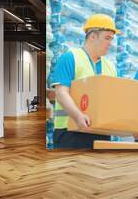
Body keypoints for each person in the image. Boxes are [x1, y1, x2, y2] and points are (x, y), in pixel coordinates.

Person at [51, 14, 119, 149]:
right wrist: (78, 116)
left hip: (101, 132)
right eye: (107, 38)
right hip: (70, 132)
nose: (110, 43)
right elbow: (61, 94)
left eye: (111, 39)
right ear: (93, 36)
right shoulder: (70, 58)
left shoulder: (110, 67)